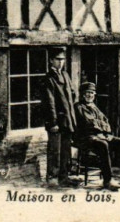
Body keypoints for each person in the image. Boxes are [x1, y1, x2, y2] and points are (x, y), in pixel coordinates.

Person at [75, 82, 120, 191]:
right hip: (86, 137)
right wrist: (100, 131)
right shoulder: (79, 107)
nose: (90, 95)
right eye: (87, 93)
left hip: (101, 135)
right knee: (103, 144)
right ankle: (108, 180)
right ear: (82, 94)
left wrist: (105, 133)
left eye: (92, 93)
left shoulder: (94, 107)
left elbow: (106, 122)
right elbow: (87, 123)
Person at [42, 47, 79, 187]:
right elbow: (49, 102)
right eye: (58, 59)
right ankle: (52, 178)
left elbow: (72, 94)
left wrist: (71, 115)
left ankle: (64, 177)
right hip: (56, 122)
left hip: (67, 120)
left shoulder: (65, 75)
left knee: (65, 150)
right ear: (51, 60)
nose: (60, 62)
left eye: (62, 59)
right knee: (55, 150)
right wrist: (53, 122)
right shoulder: (48, 79)